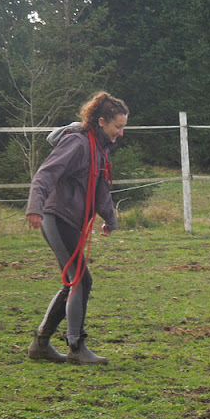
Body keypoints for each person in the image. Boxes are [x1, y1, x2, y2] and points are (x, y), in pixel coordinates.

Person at [26, 91, 129, 364]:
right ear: (102, 121)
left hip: (70, 220)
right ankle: (75, 347)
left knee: (74, 281)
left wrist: (110, 218)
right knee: (80, 280)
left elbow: (99, 188)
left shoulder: (98, 148)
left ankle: (41, 344)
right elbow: (46, 174)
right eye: (118, 127)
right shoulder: (78, 143)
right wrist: (35, 207)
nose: (121, 133)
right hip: (56, 216)